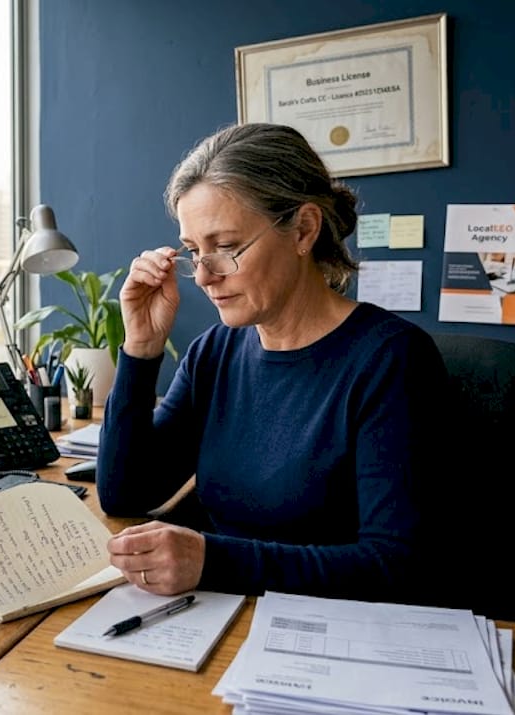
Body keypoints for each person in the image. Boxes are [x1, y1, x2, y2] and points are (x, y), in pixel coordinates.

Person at [97, 122, 447, 602]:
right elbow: (125, 494)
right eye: (194, 251)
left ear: (303, 230)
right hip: (218, 619)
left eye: (225, 247)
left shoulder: (390, 360)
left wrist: (212, 560)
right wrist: (141, 346)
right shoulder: (213, 354)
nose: (203, 275)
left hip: (329, 637)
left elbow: (396, 564)